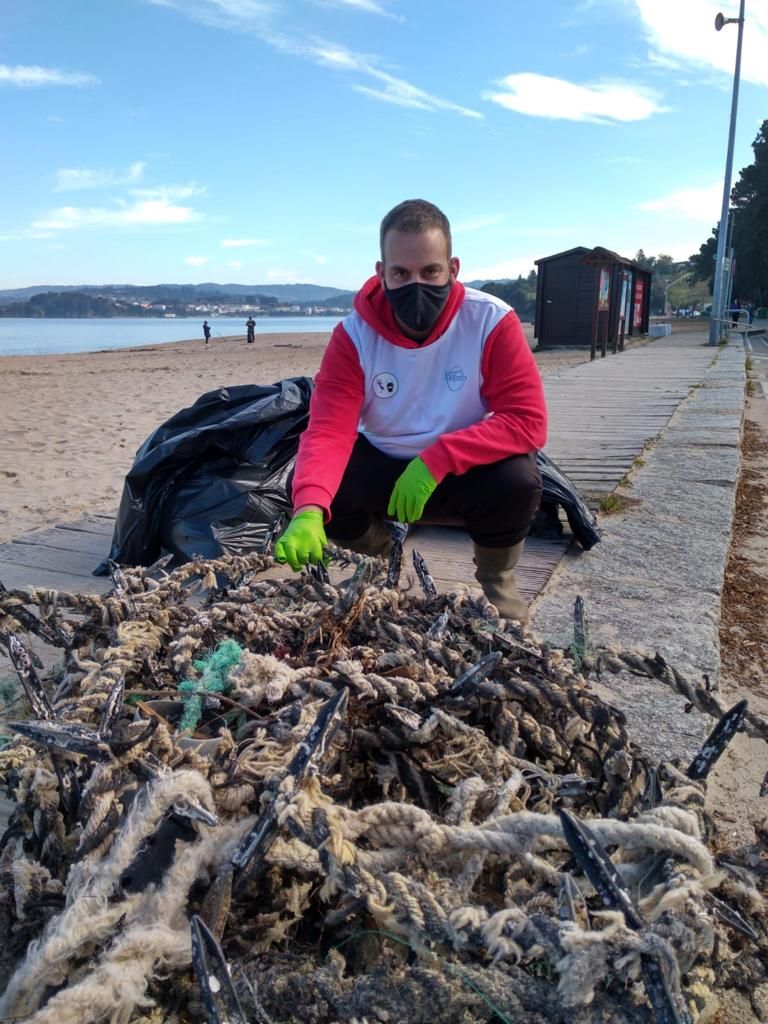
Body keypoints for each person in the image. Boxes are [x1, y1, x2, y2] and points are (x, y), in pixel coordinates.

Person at [274, 199, 547, 621]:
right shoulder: (353, 336)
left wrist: (437, 459)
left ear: (453, 270)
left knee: (519, 480)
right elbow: (329, 429)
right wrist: (308, 509)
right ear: (381, 273)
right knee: (318, 482)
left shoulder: (491, 321)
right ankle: (384, 559)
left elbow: (527, 422)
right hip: (384, 466)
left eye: (430, 272)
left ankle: (498, 583)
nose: (416, 285)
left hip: (459, 469)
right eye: (401, 273)